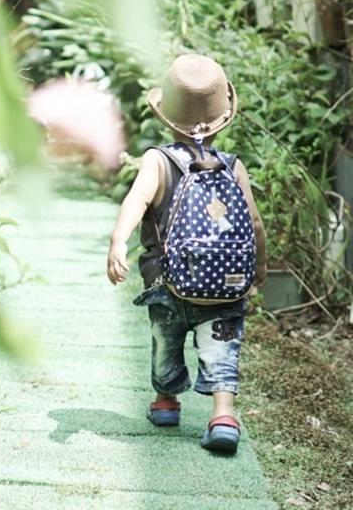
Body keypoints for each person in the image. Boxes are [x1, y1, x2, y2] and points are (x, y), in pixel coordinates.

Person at [106, 54, 267, 454]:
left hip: (168, 283)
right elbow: (256, 223)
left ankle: (166, 402)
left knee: (166, 341)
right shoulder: (234, 166)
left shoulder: (157, 161)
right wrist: (258, 268)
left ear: (168, 115)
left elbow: (137, 201)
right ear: (220, 117)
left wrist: (118, 241)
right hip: (226, 287)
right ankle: (224, 415)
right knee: (222, 346)